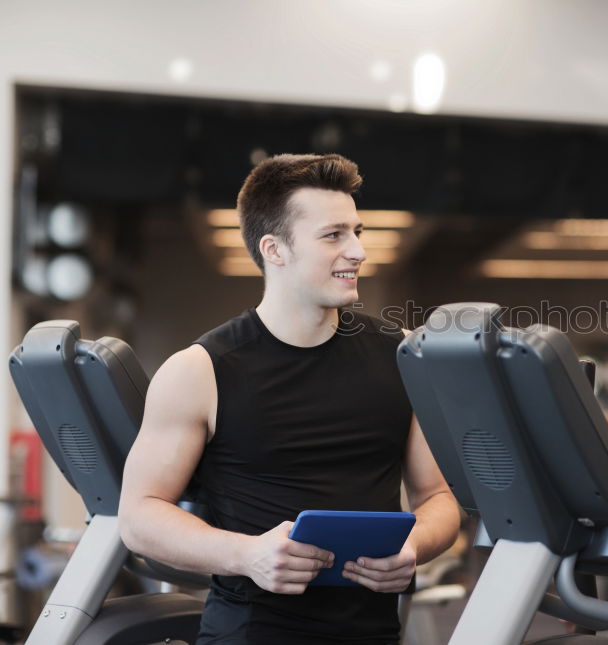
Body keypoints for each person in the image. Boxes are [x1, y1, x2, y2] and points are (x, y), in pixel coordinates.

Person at [119, 153, 461, 644]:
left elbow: (439, 498)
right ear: (274, 249)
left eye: (357, 231)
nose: (358, 251)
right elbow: (140, 516)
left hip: (375, 634)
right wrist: (248, 554)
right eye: (333, 235)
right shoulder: (200, 370)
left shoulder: (404, 356)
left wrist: (414, 545)